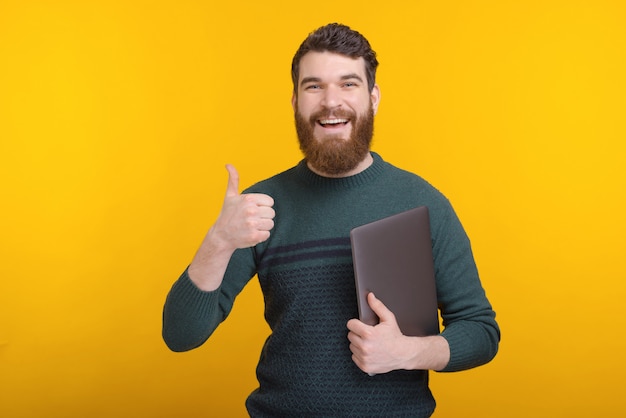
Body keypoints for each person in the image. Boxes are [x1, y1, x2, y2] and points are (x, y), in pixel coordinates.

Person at [163, 23, 500, 417]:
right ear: (295, 101)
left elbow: (480, 330)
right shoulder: (261, 206)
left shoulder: (422, 202)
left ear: (373, 98)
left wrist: (411, 352)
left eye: (348, 84)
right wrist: (218, 241)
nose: (331, 102)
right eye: (314, 86)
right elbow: (180, 335)